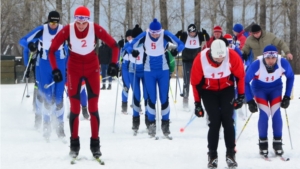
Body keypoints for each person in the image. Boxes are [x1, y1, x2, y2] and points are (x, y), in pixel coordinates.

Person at [48, 6, 119, 158]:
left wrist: (114, 64)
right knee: (75, 109)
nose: (81, 25)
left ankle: (95, 145)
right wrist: (55, 69)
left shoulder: (95, 29)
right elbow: (52, 50)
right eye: (78, 21)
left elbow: (114, 45)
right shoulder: (68, 29)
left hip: (92, 68)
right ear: (75, 20)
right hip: (73, 69)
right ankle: (74, 145)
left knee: (93, 108)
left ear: (88, 20)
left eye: (84, 21)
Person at [125, 18, 184, 138]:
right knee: (151, 99)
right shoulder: (145, 35)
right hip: (149, 71)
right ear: (149, 31)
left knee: (164, 98)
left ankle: (165, 126)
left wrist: (176, 51)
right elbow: (128, 45)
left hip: (163, 71)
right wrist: (133, 52)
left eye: (157, 32)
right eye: (153, 32)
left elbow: (182, 44)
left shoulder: (165, 34)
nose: (155, 35)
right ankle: (151, 125)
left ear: (160, 30)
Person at [190, 39, 245, 168]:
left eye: (222, 58)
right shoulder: (200, 59)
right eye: (217, 58)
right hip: (208, 91)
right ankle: (212, 156)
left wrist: (241, 95)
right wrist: (197, 103)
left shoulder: (231, 55)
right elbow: (195, 83)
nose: (220, 60)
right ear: (211, 54)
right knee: (214, 122)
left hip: (227, 89)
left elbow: (241, 76)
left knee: (228, 120)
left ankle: (231, 154)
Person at [19, 11, 67, 140]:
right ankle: (46, 124)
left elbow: (72, 47)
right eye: (51, 22)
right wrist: (30, 45)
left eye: (55, 23)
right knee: (47, 96)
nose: (53, 25)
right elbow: (23, 40)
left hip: (60, 64)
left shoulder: (64, 30)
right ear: (48, 21)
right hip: (45, 65)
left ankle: (60, 126)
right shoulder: (42, 30)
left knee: (59, 98)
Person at [245, 45, 294, 157]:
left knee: (276, 113)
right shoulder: (256, 64)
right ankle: (263, 142)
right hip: (259, 89)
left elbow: (290, 77)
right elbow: (245, 81)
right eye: (268, 58)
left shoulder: (283, 62)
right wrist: (249, 100)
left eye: (273, 58)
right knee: (264, 113)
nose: (271, 61)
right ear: (264, 57)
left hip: (275, 89)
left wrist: (287, 96)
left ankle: (278, 142)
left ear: (277, 56)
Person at [176, 24, 210, 109]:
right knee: (186, 80)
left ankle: (200, 99)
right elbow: (176, 39)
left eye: (194, 32)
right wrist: (178, 34)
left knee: (198, 80)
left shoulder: (200, 35)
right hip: (186, 60)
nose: (192, 34)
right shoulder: (184, 35)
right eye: (191, 32)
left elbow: (208, 39)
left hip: (196, 61)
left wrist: (206, 33)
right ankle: (185, 99)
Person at [127, 24, 149, 133]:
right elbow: (125, 50)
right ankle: (135, 122)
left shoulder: (145, 43)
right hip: (133, 71)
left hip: (145, 71)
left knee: (147, 95)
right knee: (136, 95)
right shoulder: (130, 44)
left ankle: (149, 120)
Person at [120, 30, 133, 113]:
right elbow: (121, 55)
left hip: (132, 66)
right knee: (126, 86)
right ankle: (124, 105)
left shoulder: (135, 43)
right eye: (128, 37)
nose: (129, 39)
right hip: (125, 67)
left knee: (135, 86)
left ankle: (137, 104)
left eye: (131, 37)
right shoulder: (123, 44)